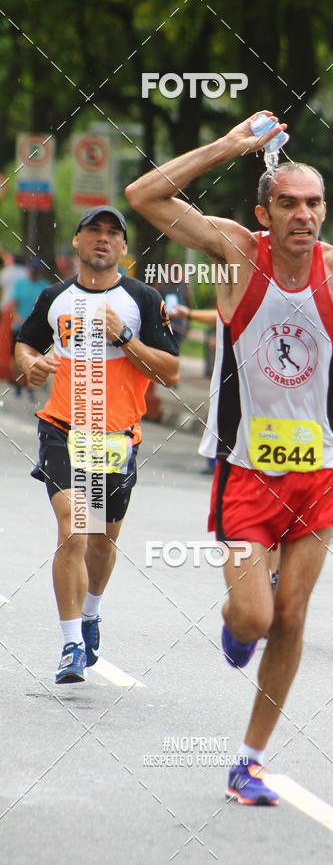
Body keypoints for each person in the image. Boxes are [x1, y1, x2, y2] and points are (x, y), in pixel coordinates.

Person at [125, 111, 333, 805]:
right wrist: (229, 145)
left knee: (292, 616)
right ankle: (237, 624)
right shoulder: (235, 253)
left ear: (324, 211)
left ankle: (249, 761)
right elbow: (144, 196)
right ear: (264, 212)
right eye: (288, 203)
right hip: (248, 470)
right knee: (254, 617)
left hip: (320, 470)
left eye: (314, 204)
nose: (303, 215)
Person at [15, 206, 179, 683]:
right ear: (77, 241)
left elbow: (170, 372)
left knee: (103, 545)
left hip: (116, 436)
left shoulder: (142, 299)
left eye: (112, 233)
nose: (102, 239)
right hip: (63, 428)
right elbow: (26, 344)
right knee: (74, 530)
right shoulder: (55, 297)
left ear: (124, 247)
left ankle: (90, 614)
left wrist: (124, 336)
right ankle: (70, 644)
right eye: (93, 231)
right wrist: (30, 364)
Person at [8, 258, 52, 396]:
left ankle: (29, 384)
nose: (34, 271)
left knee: (35, 356)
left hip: (37, 327)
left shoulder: (44, 286)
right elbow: (13, 304)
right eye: (33, 268)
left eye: (37, 269)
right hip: (19, 326)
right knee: (15, 356)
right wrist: (17, 318)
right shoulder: (20, 284)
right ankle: (18, 383)